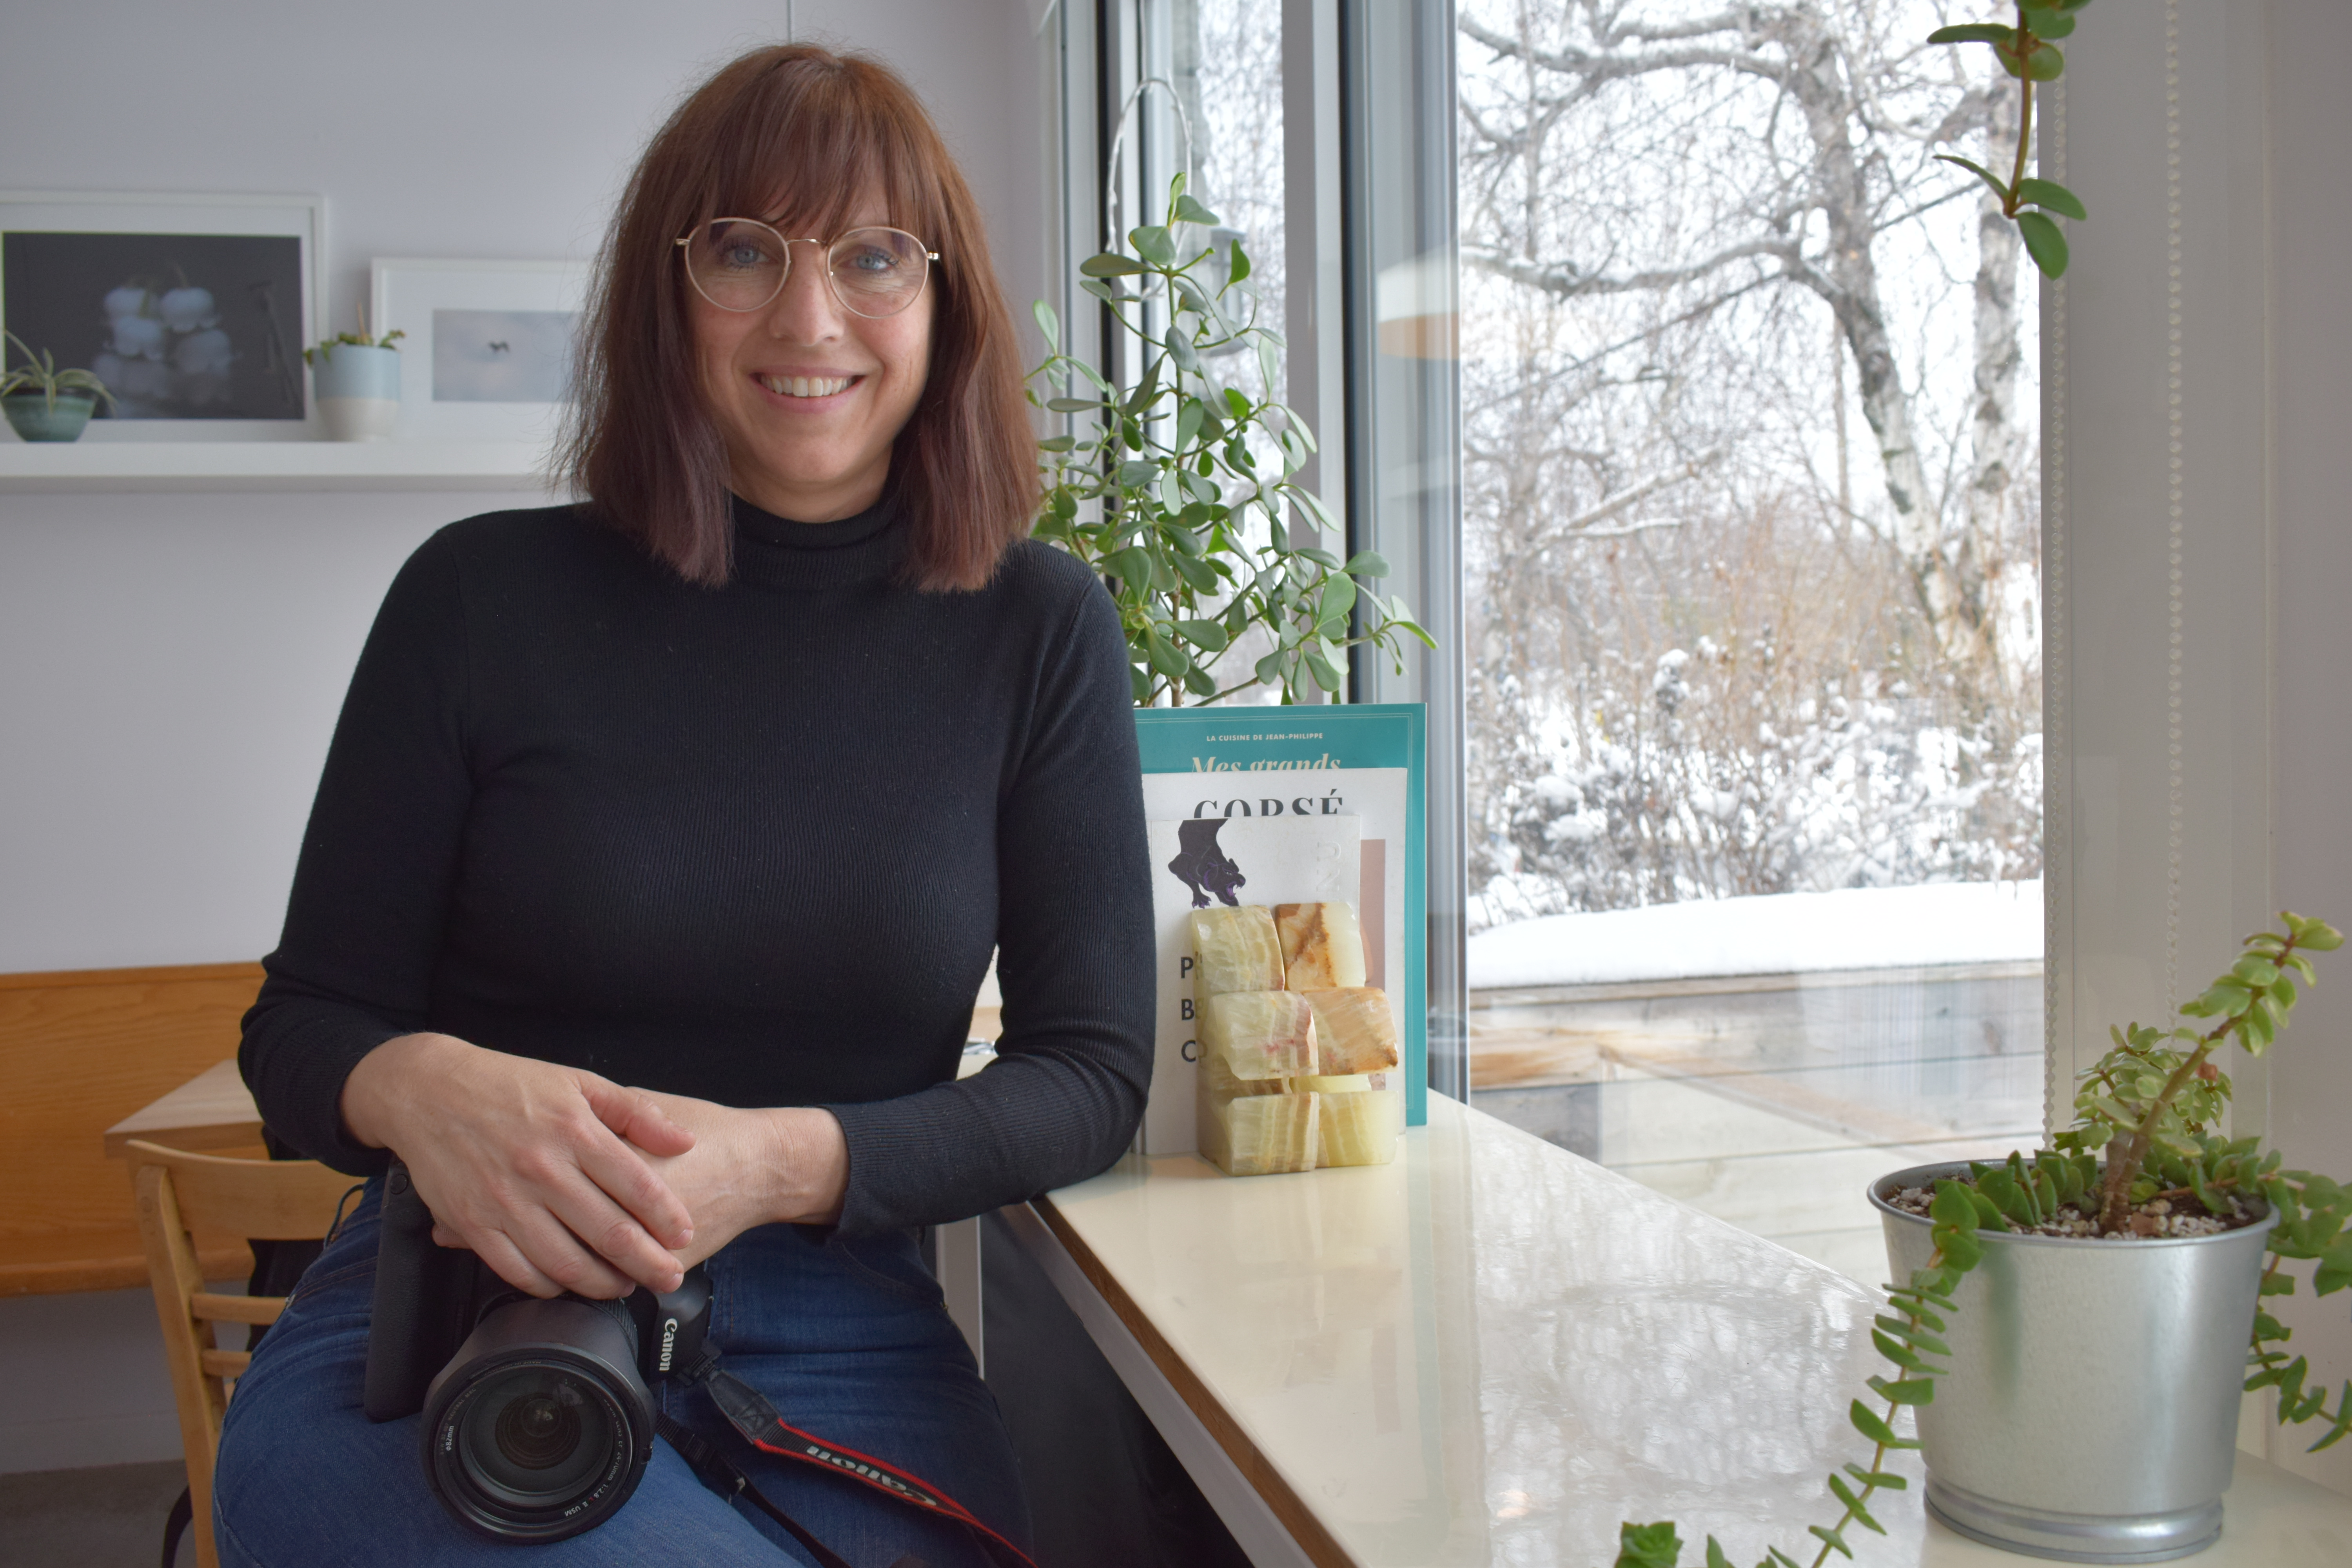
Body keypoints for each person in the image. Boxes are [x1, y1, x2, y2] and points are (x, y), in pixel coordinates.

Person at [213, 42, 1152, 1568]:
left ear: (945, 302)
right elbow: (302, 1029)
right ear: (669, 293)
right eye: (743, 250)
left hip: (841, 1329)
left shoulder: (1036, 627)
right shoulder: (477, 598)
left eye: (872, 256)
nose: (809, 317)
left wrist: (772, 1166)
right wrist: (420, 1085)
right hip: (459, 1307)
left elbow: (1093, 1072)